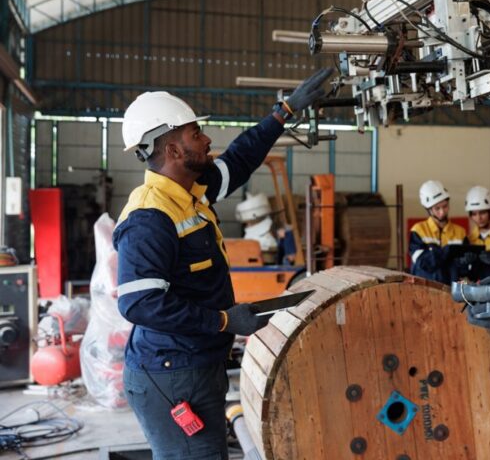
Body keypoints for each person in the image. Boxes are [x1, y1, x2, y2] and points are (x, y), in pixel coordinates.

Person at [113, 68, 332, 459]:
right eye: (196, 134)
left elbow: (240, 158)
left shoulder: (191, 191)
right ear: (174, 151)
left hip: (195, 363)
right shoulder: (150, 217)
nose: (207, 138)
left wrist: (282, 112)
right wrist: (225, 321)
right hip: (172, 374)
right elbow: (138, 304)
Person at [409, 180, 467, 283]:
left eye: (445, 206)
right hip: (425, 289)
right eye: (437, 208)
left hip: (452, 291)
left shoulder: (460, 232)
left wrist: (467, 262)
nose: (442, 212)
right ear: (429, 209)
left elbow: (465, 269)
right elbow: (422, 263)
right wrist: (445, 252)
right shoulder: (418, 231)